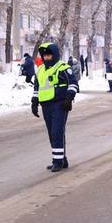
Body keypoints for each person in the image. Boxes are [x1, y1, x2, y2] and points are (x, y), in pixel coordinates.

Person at [31, 42, 78, 172]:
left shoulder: (62, 67)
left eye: (49, 55)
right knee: (52, 133)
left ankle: (57, 161)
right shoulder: (40, 69)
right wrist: (34, 102)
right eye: (44, 56)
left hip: (60, 104)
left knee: (57, 132)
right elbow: (37, 87)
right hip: (45, 105)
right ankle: (62, 159)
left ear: (55, 55)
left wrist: (69, 99)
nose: (46, 58)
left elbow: (73, 84)